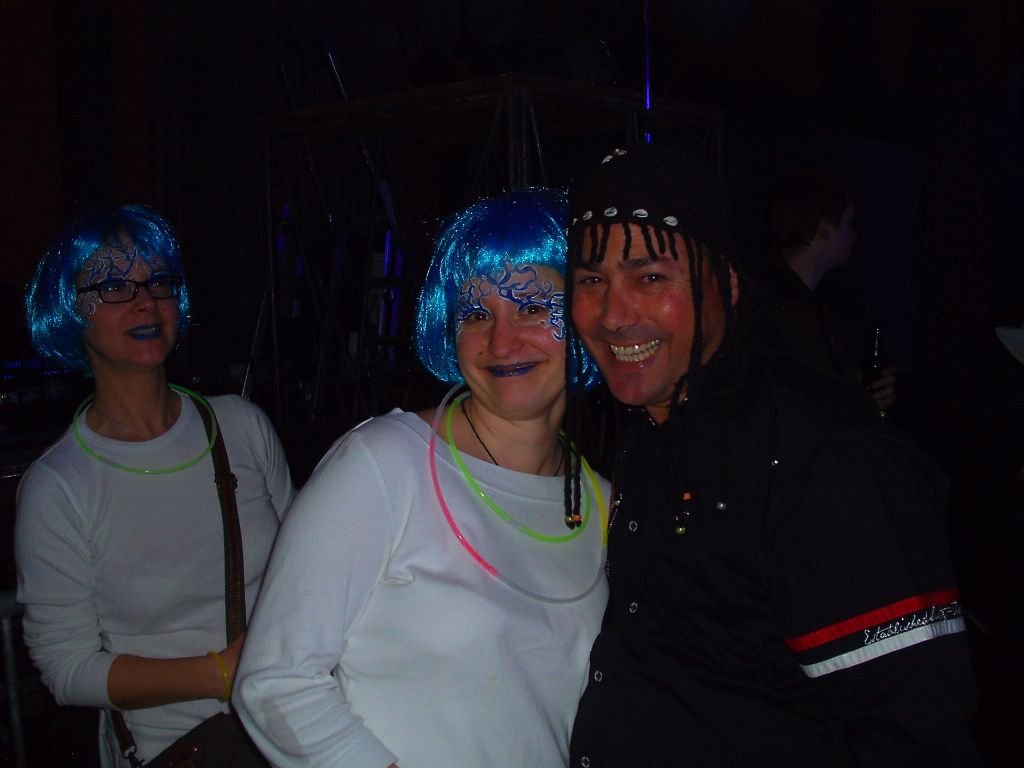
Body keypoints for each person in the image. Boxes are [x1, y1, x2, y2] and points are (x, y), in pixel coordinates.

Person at [563, 145, 980, 766]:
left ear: (727, 285)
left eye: (651, 277)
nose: (614, 315)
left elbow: (914, 730)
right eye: (592, 280)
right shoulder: (653, 426)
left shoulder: (822, 455)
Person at [234, 188, 610, 768]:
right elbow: (274, 681)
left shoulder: (603, 502)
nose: (501, 340)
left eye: (533, 307)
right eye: (477, 314)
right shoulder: (384, 465)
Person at [15, 205, 294, 767]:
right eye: (113, 286)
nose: (145, 301)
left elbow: (309, 571)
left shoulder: (241, 427)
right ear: (69, 310)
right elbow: (67, 670)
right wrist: (221, 673)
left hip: (294, 728)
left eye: (158, 281)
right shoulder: (59, 487)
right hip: (177, 749)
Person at [746, 167, 897, 411]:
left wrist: (858, 389)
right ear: (825, 227)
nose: (854, 236)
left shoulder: (811, 306)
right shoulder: (773, 308)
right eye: (849, 224)